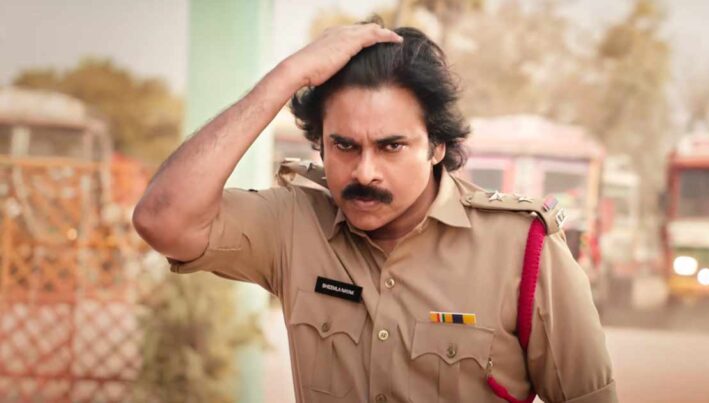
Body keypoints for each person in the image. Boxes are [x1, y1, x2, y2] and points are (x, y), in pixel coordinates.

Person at [133, 22, 618, 403]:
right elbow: (162, 219)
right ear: (320, 144)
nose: (364, 172)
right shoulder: (293, 226)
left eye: (391, 146)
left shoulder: (523, 250)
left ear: (436, 147)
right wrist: (289, 75)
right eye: (344, 145)